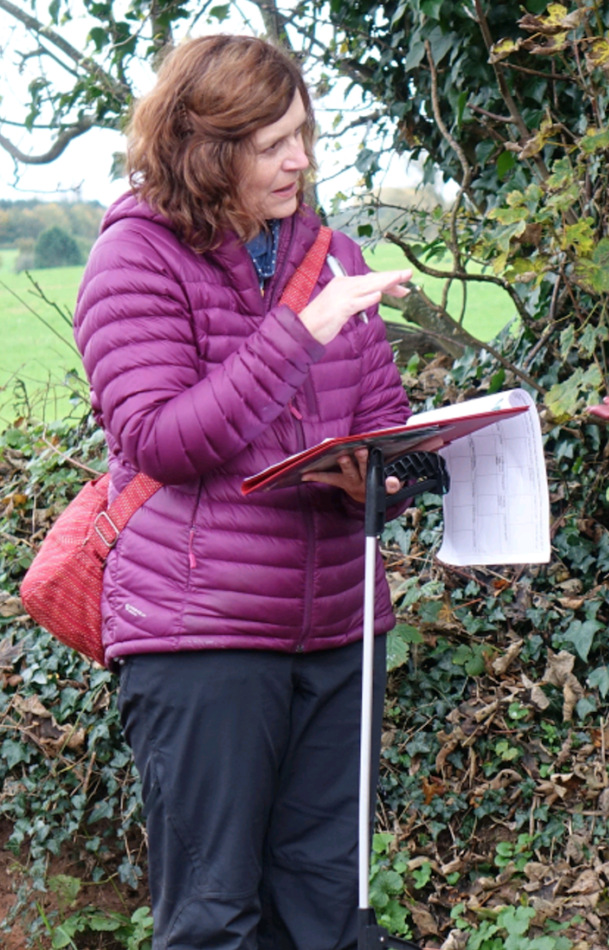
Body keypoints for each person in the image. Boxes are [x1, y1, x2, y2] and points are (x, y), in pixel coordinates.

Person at [73, 34, 422, 950]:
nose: (300, 161)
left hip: (341, 629)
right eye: (272, 144)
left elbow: (387, 416)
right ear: (204, 148)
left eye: (302, 135)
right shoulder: (135, 260)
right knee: (215, 921)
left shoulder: (332, 256)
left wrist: (389, 475)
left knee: (328, 913)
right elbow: (158, 438)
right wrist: (298, 333)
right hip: (203, 634)